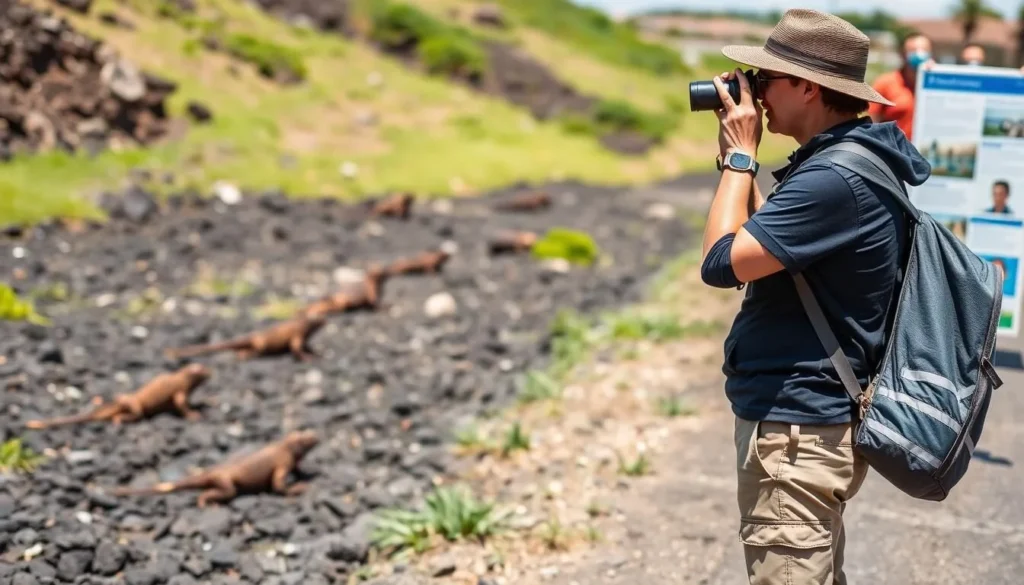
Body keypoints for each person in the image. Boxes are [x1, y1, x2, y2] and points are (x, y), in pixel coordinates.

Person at [698, 8, 931, 584]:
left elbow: (723, 263)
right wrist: (740, 164)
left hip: (797, 435)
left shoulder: (833, 180)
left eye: (763, 79)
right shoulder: (847, 161)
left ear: (806, 87)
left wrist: (739, 160)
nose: (753, 93)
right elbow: (763, 254)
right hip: (807, 427)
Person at [867, 32, 932, 140]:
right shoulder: (885, 83)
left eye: (924, 50)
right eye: (913, 50)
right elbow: (871, 122)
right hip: (893, 151)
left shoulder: (937, 85)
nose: (919, 54)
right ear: (902, 54)